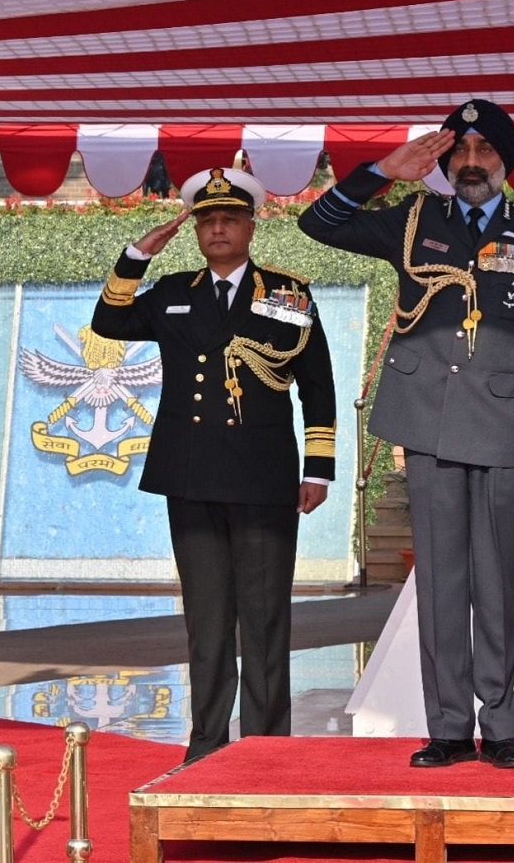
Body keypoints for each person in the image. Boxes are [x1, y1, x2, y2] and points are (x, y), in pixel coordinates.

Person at [299, 98, 514, 769]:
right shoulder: (414, 219)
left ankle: (501, 726)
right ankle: (449, 727)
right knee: (441, 584)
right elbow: (320, 223)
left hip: (509, 428)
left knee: (495, 582)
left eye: (484, 153)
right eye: (461, 153)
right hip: (429, 421)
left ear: (505, 163)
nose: (472, 162)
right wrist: (383, 170)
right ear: (446, 162)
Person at [92, 166, 337, 762]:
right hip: (192, 474)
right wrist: (135, 256)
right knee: (205, 619)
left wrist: (319, 468)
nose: (218, 229)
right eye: (208, 221)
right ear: (197, 231)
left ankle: (265, 745)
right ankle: (205, 743)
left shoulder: (287, 294)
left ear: (252, 225)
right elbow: (109, 323)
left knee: (264, 618)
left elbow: (318, 385)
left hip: (262, 476)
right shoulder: (175, 292)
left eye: (230, 218)